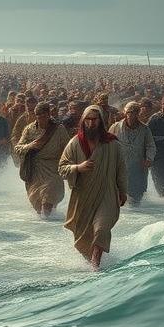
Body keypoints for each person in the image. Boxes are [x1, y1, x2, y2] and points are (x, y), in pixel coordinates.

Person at [58, 105, 126, 269]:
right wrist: (78, 167)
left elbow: (121, 168)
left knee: (101, 230)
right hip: (83, 197)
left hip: (107, 194)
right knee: (84, 237)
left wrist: (123, 190)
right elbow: (62, 167)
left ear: (101, 121)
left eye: (94, 119)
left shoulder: (112, 144)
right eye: (87, 119)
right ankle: (92, 261)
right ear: (83, 121)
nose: (91, 123)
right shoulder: (75, 143)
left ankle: (95, 267)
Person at [16, 101, 70, 216]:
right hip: (34, 169)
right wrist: (29, 146)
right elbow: (18, 148)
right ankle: (46, 223)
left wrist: (67, 167)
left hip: (53, 169)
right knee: (38, 205)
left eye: (44, 116)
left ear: (49, 115)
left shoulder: (59, 129)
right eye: (38, 116)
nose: (41, 119)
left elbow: (68, 149)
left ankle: (50, 221)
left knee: (48, 200)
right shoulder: (29, 129)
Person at [109, 102, 156, 207]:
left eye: (135, 112)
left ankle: (136, 213)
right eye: (129, 112)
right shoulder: (116, 127)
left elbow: (150, 145)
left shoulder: (145, 129)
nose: (131, 115)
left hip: (138, 166)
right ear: (125, 113)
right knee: (118, 193)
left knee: (136, 196)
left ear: (138, 114)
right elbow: (108, 143)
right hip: (120, 165)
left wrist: (149, 158)